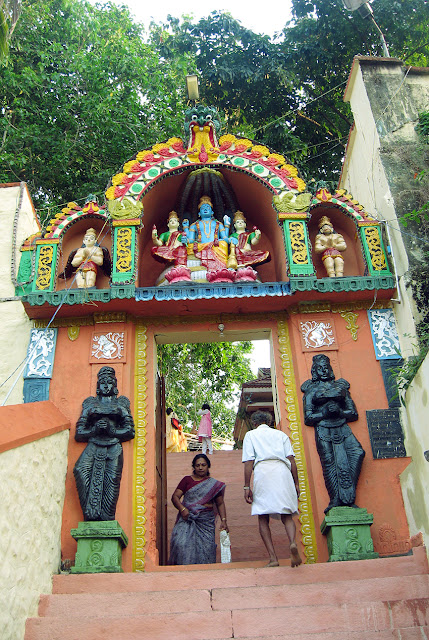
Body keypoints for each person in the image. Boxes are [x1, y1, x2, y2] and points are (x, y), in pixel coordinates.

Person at [301, 354, 365, 514]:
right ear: (314, 371)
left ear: (330, 369)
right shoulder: (311, 390)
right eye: (319, 368)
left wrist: (340, 412)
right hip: (323, 430)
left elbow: (353, 413)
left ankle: (348, 496)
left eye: (326, 368)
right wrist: (323, 413)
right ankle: (335, 499)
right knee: (329, 463)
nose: (323, 371)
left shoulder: (340, 387)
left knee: (358, 453)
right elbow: (308, 417)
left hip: (343, 427)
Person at [73, 366, 135, 521]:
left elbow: (130, 431)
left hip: (113, 447)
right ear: (98, 386)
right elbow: (79, 432)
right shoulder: (90, 405)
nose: (106, 386)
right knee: (80, 471)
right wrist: (94, 430)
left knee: (111, 481)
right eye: (103, 382)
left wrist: (112, 431)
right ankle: (90, 514)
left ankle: (107, 518)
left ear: (115, 386)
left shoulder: (121, 405)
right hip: (93, 444)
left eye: (109, 382)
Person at [242, 410, 302, 568]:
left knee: (263, 516)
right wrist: (296, 483)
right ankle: (292, 542)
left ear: (254, 423)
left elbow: (249, 462)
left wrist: (247, 486)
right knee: (287, 515)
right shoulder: (281, 435)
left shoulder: (251, 435)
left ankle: (273, 558)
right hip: (282, 472)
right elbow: (291, 460)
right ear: (269, 422)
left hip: (263, 472)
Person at [169, 454, 228, 565]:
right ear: (194, 467)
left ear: (208, 466)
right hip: (187, 518)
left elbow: (220, 503)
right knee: (181, 544)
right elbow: (175, 497)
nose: (200, 468)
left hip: (206, 522)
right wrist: (182, 509)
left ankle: (206, 574)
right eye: (197, 465)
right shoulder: (187, 480)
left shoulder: (214, 485)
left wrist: (224, 521)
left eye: (203, 465)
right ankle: (185, 572)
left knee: (207, 549)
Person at [182, 196, 231, 273]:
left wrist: (227, 226)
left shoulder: (218, 224)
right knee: (190, 246)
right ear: (199, 213)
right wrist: (186, 233)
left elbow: (225, 238)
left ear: (212, 212)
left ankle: (221, 267)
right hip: (200, 246)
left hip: (215, 245)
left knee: (223, 243)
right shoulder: (194, 225)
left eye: (208, 208)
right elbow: (191, 240)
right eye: (202, 208)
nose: (205, 209)